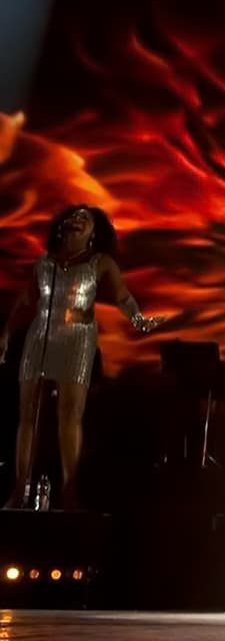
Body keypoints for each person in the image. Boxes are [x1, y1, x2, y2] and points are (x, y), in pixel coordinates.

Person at [0, 205, 164, 510]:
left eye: (84, 219)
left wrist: (139, 320)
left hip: (77, 337)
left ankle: (70, 491)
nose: (76, 220)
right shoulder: (45, 263)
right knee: (27, 416)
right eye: (72, 216)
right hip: (41, 335)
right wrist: (6, 332)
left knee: (69, 414)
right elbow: (26, 300)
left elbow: (123, 297)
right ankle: (20, 489)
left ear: (94, 233)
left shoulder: (100, 263)